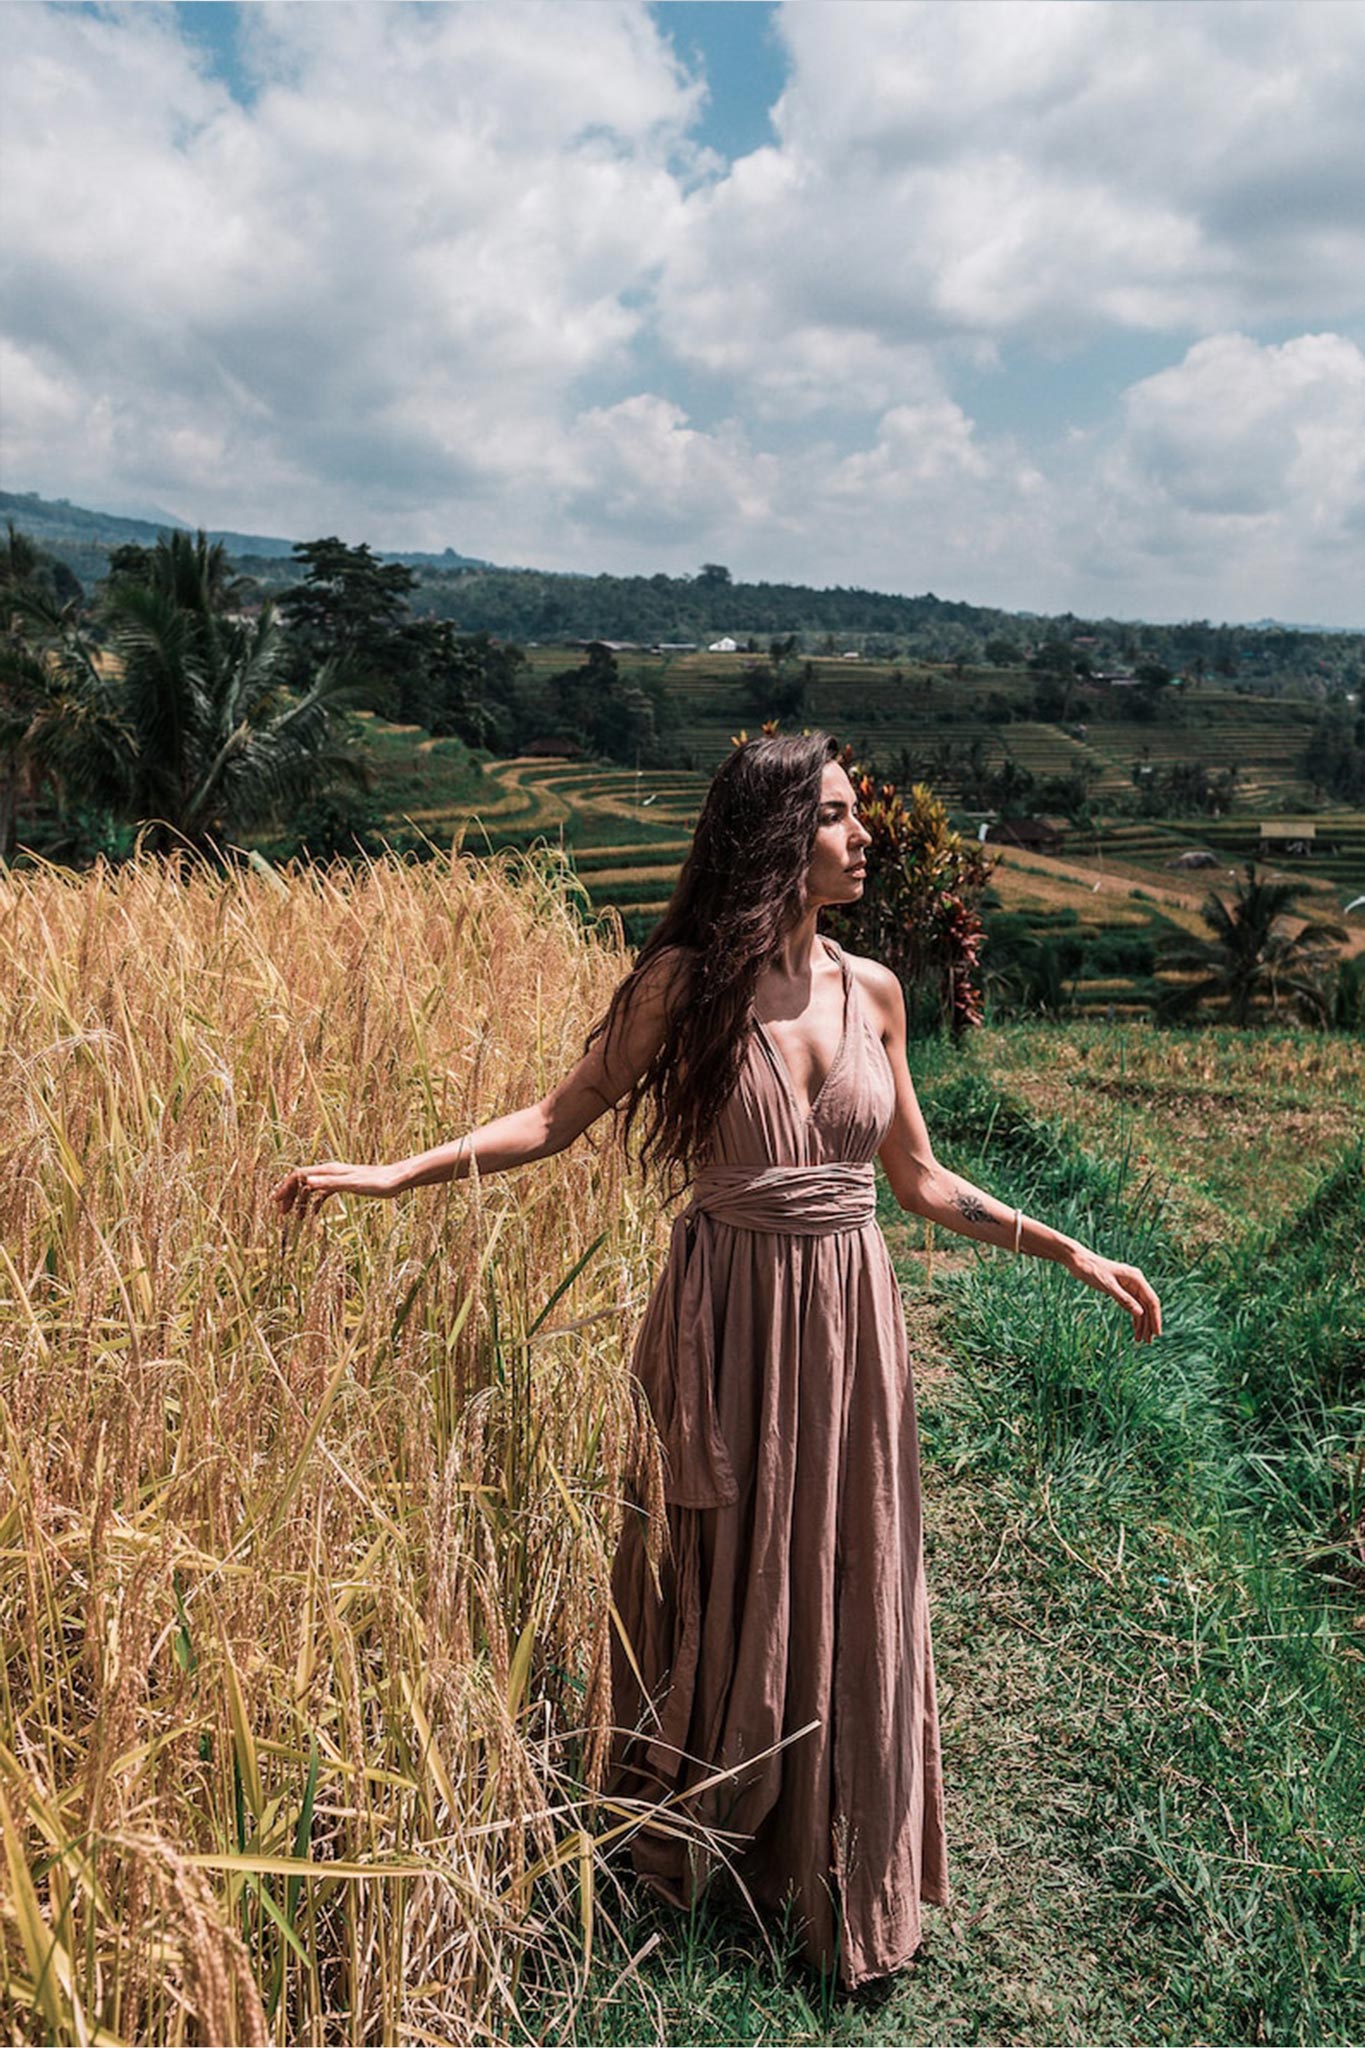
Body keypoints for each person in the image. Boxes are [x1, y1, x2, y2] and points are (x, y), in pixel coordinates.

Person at [271, 729, 1161, 1992]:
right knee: (720, 1558)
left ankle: (834, 1857)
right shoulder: (685, 985)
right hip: (727, 1314)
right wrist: (394, 1171)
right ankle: (698, 1843)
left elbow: (916, 1179)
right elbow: (555, 1115)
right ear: (778, 834)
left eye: (858, 818)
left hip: (849, 1321)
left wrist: (1072, 1249)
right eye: (842, 817)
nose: (864, 838)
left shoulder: (878, 992)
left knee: (848, 1563)